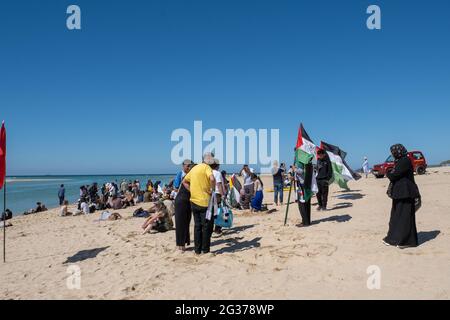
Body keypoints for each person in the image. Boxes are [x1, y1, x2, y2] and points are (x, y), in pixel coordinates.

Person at [383, 144, 420, 248]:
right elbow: (394, 174)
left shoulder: (404, 160)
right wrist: (390, 172)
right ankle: (394, 238)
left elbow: (394, 175)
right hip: (400, 193)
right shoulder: (400, 160)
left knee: (405, 217)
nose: (393, 154)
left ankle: (406, 241)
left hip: (406, 193)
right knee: (396, 217)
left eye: (394, 152)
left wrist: (389, 172)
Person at [182, 153, 216, 255]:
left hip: (194, 201)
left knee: (197, 226)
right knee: (206, 227)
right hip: (204, 202)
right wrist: (212, 189)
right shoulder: (206, 167)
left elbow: (184, 182)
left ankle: (197, 250)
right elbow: (212, 179)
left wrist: (192, 191)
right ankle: (205, 250)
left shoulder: (194, 169)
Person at [175, 163, 195, 251]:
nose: (189, 167)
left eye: (190, 166)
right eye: (188, 166)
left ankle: (184, 242)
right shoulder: (182, 175)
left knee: (187, 222)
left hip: (187, 201)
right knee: (180, 223)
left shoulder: (191, 176)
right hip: (181, 200)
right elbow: (176, 187)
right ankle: (180, 245)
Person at [295, 161, 314, 227]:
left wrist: (294, 169)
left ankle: (305, 222)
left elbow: (301, 171)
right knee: (306, 203)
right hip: (306, 183)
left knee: (302, 204)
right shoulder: (308, 160)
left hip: (302, 184)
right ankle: (307, 221)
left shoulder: (301, 160)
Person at [211, 159, 225, 235]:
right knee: (218, 212)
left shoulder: (208, 172)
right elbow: (219, 185)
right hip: (217, 194)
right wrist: (222, 194)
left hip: (209, 194)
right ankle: (217, 229)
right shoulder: (217, 173)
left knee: (211, 211)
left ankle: (210, 228)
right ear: (217, 166)